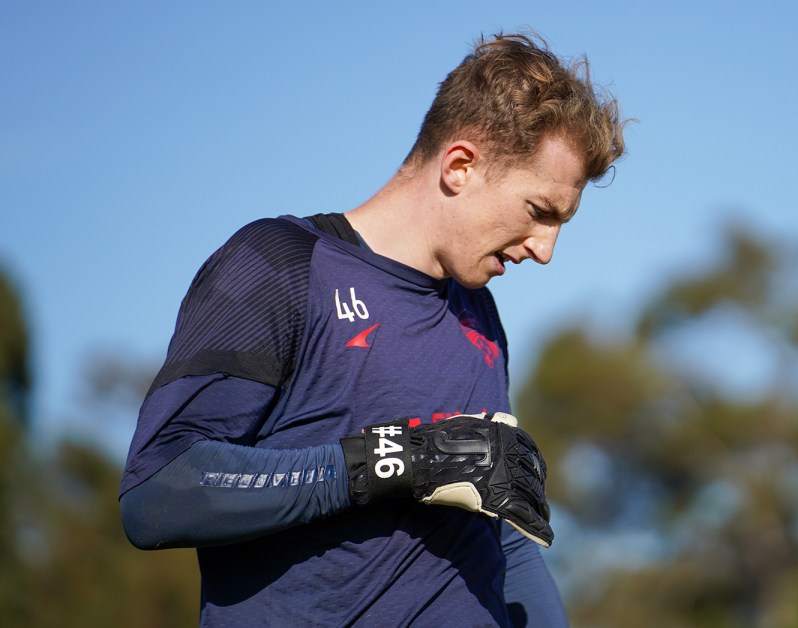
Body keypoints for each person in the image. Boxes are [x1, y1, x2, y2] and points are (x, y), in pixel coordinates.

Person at [119, 32, 627, 627]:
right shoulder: (280, 264)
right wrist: (390, 463)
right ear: (460, 166)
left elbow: (499, 535)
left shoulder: (479, 317)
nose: (545, 250)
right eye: (540, 212)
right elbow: (158, 494)